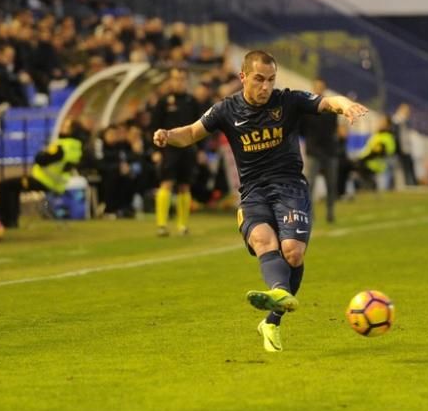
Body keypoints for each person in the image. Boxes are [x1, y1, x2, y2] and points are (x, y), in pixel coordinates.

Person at [153, 50, 367, 353]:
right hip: (253, 192)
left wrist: (345, 106)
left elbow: (326, 102)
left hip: (290, 187)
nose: (265, 86)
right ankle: (280, 292)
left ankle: (271, 320)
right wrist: (166, 135)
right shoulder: (226, 110)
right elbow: (189, 134)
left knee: (292, 253)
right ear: (243, 77)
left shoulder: (287, 101)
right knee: (263, 240)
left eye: (270, 80)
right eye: (258, 79)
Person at [0, 128, 83, 228]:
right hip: (56, 184)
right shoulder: (76, 148)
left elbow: (40, 159)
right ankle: (11, 221)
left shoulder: (61, 147)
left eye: (67, 125)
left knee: (5, 185)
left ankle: (7, 221)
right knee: (13, 187)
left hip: (42, 180)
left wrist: (43, 151)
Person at [151, 68, 200, 236]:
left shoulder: (192, 101)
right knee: (166, 183)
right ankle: (162, 225)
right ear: (170, 81)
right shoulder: (163, 102)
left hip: (188, 149)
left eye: (182, 79)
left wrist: (199, 149)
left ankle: (182, 225)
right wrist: (156, 150)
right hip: (169, 150)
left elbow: (200, 127)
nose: (179, 82)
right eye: (176, 79)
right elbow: (154, 126)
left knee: (185, 186)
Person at [300, 78, 340, 222]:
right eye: (317, 87)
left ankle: (330, 212)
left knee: (331, 184)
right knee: (310, 185)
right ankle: (310, 215)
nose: (319, 89)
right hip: (313, 151)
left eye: (321, 87)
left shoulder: (331, 108)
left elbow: (334, 128)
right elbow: (301, 129)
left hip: (329, 151)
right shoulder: (306, 109)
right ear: (313, 88)